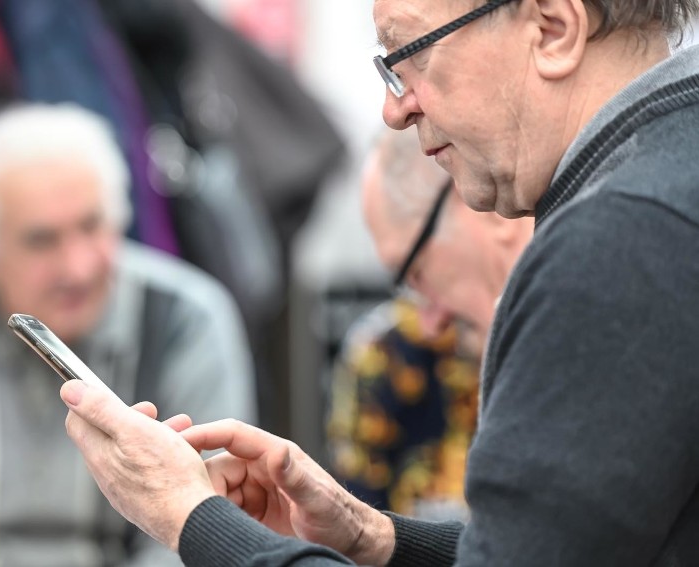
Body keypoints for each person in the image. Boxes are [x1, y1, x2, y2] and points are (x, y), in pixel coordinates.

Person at [61, 1, 699, 565]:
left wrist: (191, 517)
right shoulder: (664, 184)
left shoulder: (617, 239)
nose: (395, 108)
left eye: (409, 54)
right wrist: (371, 537)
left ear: (553, 29)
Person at [0, 103, 256, 566]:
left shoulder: (186, 318)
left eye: (91, 225)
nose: (77, 267)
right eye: (41, 240)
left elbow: (204, 527)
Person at [327, 127, 532, 519]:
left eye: (416, 272)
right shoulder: (387, 358)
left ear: (478, 204)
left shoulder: (595, 325)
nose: (430, 321)